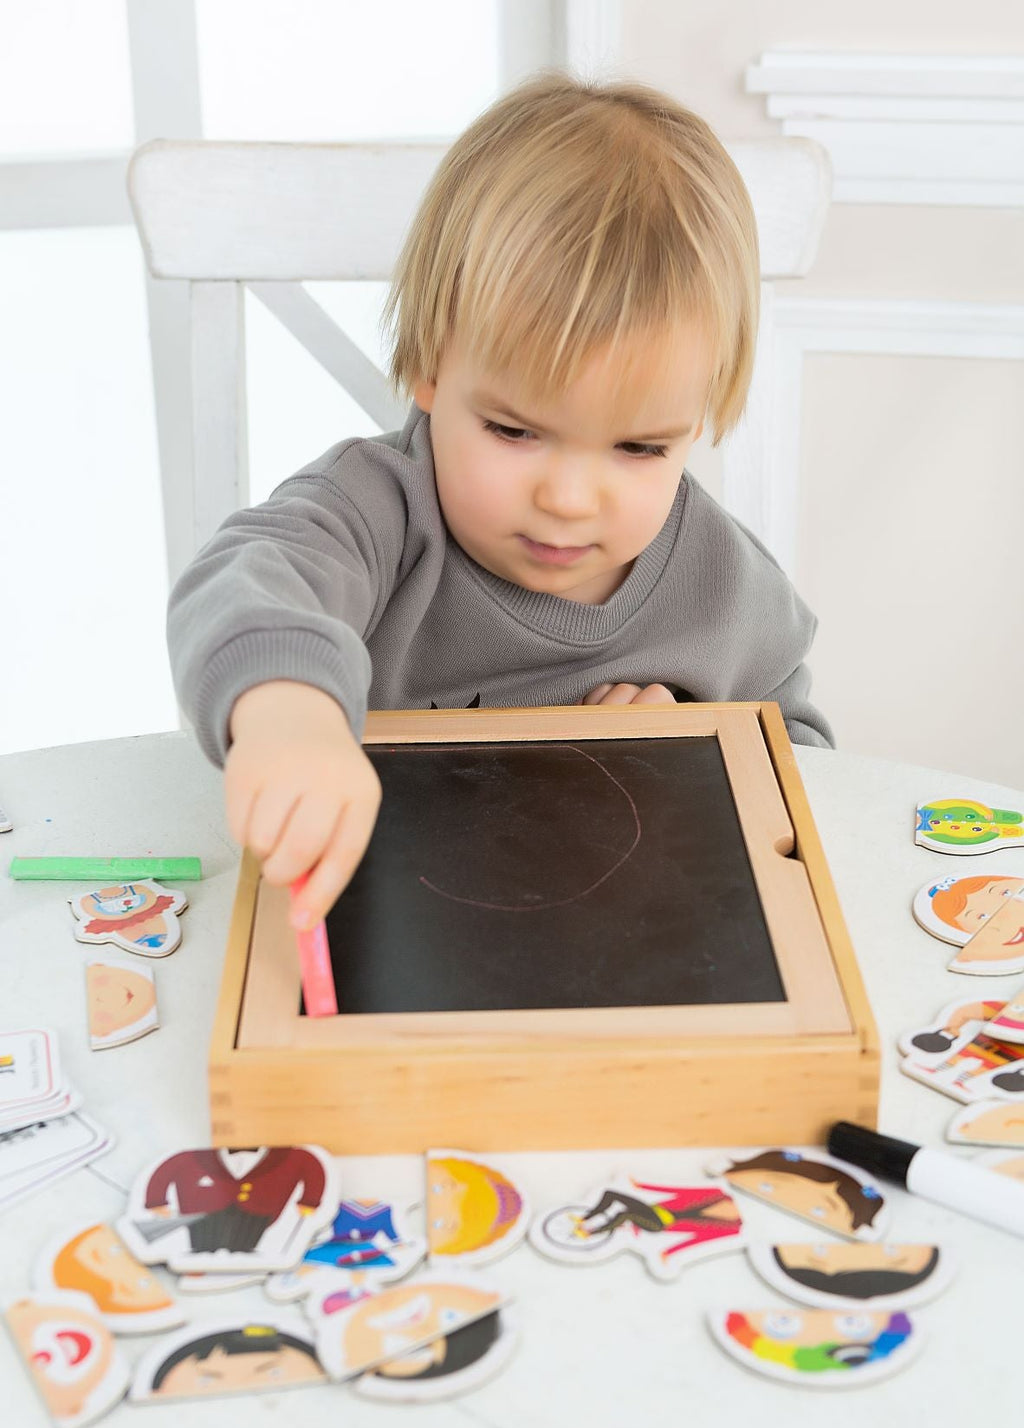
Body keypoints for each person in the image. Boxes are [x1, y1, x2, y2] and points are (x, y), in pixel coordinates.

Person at [167, 72, 834, 931]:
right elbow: (243, 587)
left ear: (697, 420)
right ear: (431, 368)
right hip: (388, 936)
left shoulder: (726, 586)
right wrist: (290, 716)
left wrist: (691, 767)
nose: (567, 499)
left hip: (623, 955)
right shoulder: (375, 513)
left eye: (639, 447)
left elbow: (808, 780)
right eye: (516, 431)